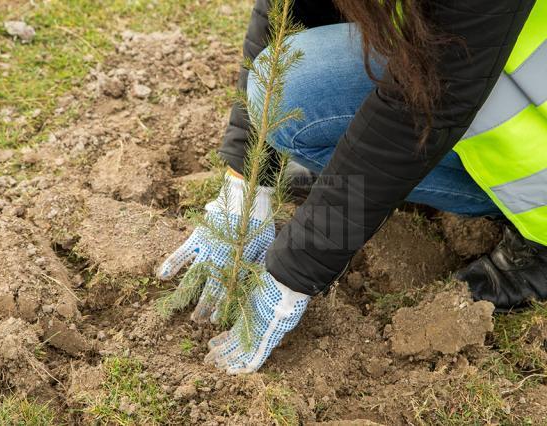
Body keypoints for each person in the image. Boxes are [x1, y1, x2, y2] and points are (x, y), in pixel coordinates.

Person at [158, 0, 547, 375]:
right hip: (472, 68)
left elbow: (424, 101)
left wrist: (295, 269)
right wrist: (247, 180)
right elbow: (288, 10)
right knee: (292, 89)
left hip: (516, 113)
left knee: (427, 98)